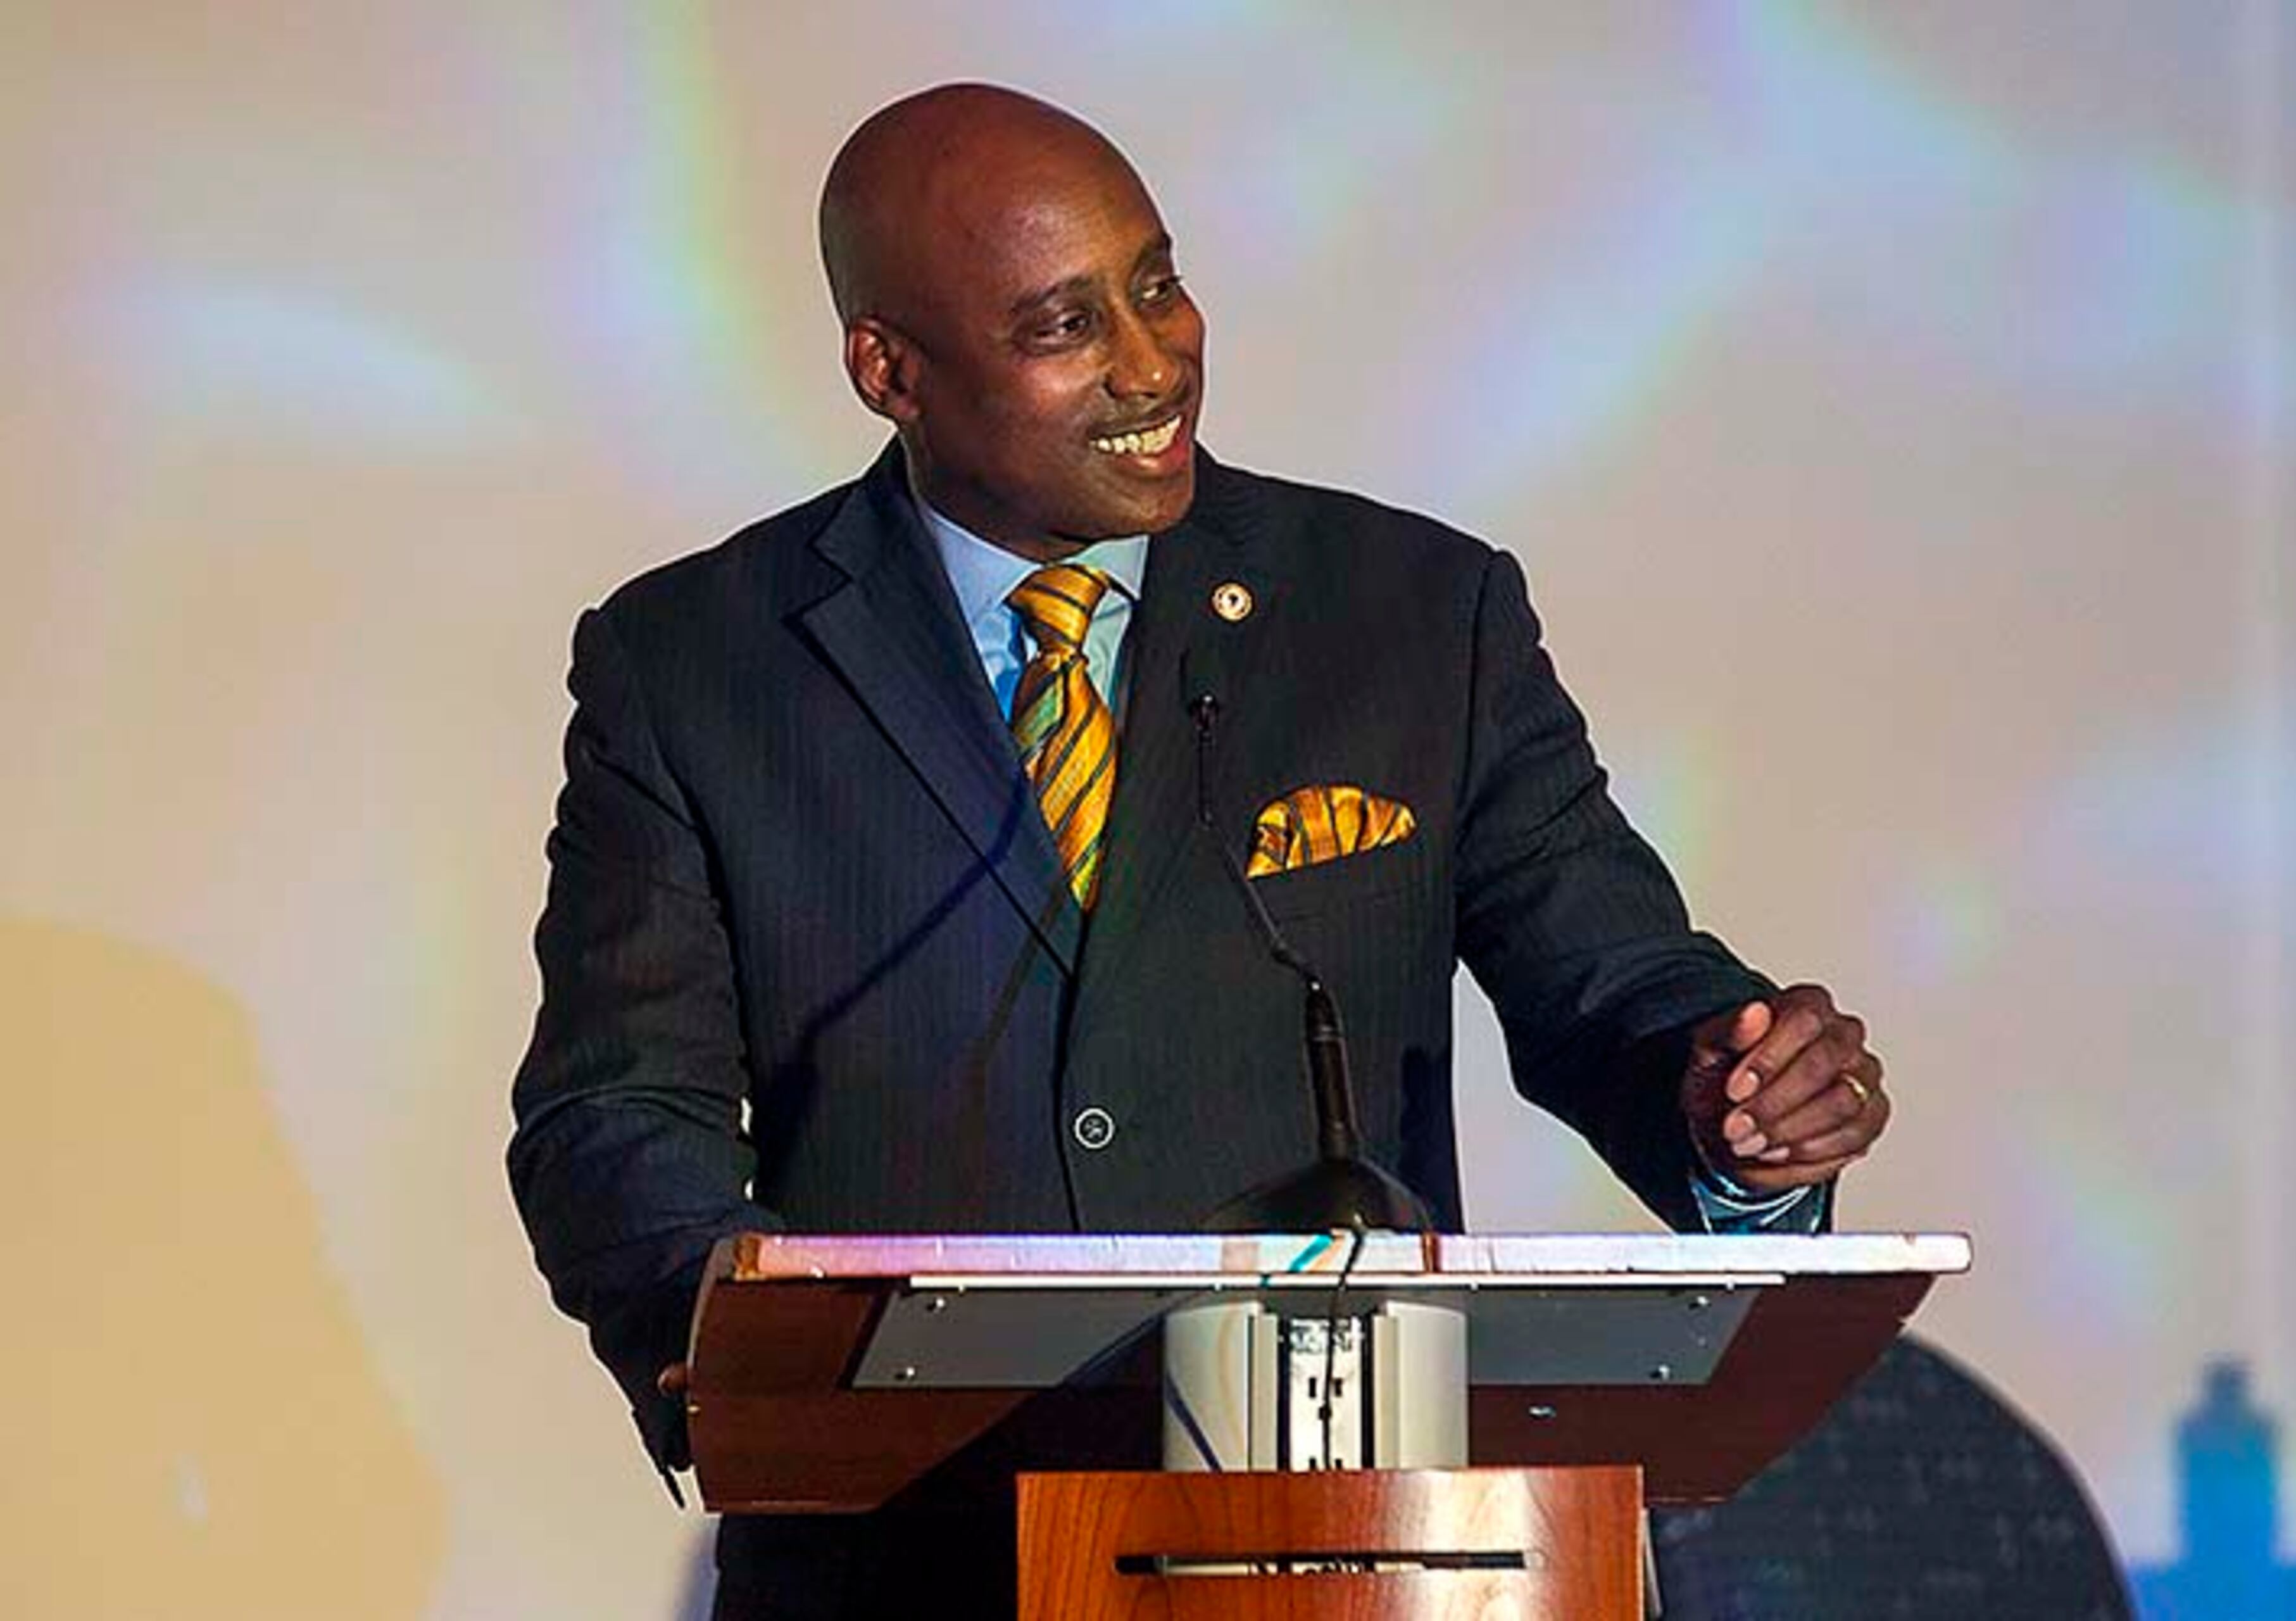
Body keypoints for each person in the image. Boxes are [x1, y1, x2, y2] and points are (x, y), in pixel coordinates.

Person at [508, 82, 1890, 1620]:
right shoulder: (700, 660)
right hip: (904, 1559)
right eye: (1064, 326)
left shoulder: (1411, 613)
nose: (1154, 360)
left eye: (1157, 283)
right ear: (889, 369)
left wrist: (1736, 1105)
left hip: (1360, 1544)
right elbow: (617, 1107)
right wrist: (753, 1349)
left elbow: (1617, 984)